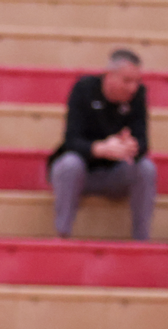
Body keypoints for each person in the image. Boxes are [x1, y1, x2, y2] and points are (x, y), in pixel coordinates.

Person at [48, 48, 158, 241]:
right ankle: (62, 236)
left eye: (136, 81)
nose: (132, 88)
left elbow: (143, 144)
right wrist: (100, 149)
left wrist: (130, 146)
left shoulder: (138, 95)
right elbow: (71, 140)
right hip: (81, 173)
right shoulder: (84, 89)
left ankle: (141, 240)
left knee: (147, 168)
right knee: (69, 164)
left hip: (115, 175)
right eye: (126, 81)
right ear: (109, 76)